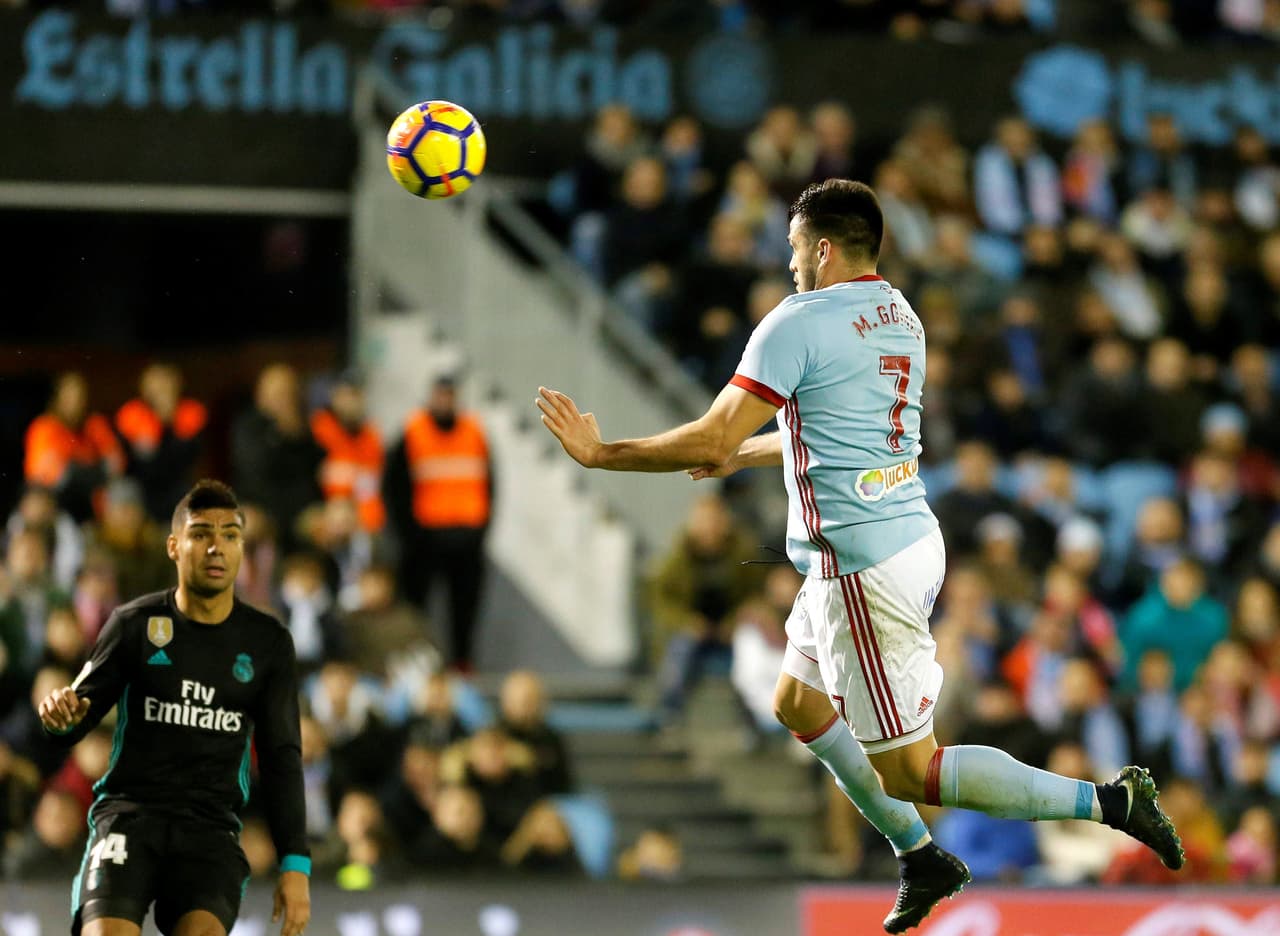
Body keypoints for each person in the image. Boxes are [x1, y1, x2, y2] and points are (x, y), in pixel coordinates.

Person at [536, 179, 1183, 933]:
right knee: (796, 702)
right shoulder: (898, 313)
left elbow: (711, 432)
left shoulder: (795, 322)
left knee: (915, 771)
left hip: (860, 571)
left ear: (819, 248)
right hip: (903, 534)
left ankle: (1110, 802)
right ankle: (920, 857)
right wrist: (745, 457)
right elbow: (836, 424)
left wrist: (602, 453)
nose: (787, 265)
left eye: (791, 250)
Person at [35, 479, 310, 936]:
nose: (216, 548)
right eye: (201, 533)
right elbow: (73, 717)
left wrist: (295, 865)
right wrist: (58, 716)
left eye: (230, 535)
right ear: (173, 546)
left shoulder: (268, 643)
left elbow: (283, 757)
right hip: (129, 815)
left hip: (210, 827)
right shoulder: (134, 625)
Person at [385, 375, 493, 673]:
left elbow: (489, 484)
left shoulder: (474, 432)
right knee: (415, 610)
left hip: (466, 541)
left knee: (465, 612)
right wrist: (409, 535)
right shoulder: (412, 432)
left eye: (449, 394)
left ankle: (461, 666)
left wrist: (480, 532)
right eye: (440, 394)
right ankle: (416, 668)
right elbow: (395, 487)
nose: (445, 401)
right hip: (424, 540)